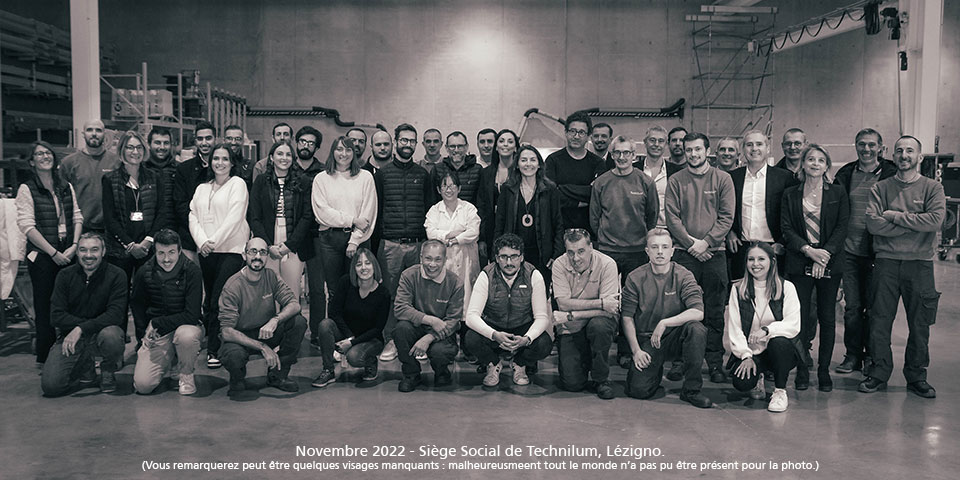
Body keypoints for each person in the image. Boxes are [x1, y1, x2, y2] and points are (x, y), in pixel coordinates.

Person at [861, 135, 945, 399]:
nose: (904, 155)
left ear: (919, 157)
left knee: (919, 324)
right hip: (885, 262)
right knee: (879, 321)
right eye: (899, 151)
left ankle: (917, 375)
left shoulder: (933, 188)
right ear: (892, 155)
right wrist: (913, 224)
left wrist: (895, 217)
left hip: (920, 265)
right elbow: (873, 225)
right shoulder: (881, 187)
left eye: (910, 150)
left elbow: (934, 221)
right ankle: (879, 372)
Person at [665, 132, 735, 383]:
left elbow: (727, 216)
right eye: (689, 150)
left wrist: (706, 242)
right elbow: (672, 217)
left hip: (715, 254)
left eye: (697, 149)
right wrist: (691, 244)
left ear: (707, 151)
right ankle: (680, 360)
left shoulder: (723, 179)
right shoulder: (676, 180)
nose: (693, 154)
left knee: (714, 311)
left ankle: (714, 362)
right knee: (682, 308)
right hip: (685, 254)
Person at [781, 144, 849, 391]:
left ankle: (823, 371)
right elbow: (786, 229)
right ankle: (801, 368)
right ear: (803, 164)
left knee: (827, 318)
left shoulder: (838, 193)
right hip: (800, 261)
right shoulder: (790, 193)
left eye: (821, 160)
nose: (815, 163)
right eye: (811, 159)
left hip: (830, 262)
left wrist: (824, 256)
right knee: (799, 319)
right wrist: (809, 252)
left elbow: (842, 227)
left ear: (827, 166)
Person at [621, 229, 711, 408]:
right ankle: (654, 371)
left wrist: (665, 323)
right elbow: (627, 317)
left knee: (696, 329)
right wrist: (636, 351)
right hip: (648, 339)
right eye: (654, 247)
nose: (660, 252)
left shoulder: (684, 275)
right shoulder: (635, 278)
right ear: (647, 251)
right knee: (638, 390)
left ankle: (691, 390)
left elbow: (698, 312)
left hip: (676, 336)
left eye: (665, 247)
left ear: (673, 251)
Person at [832, 128, 896, 374]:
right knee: (852, 308)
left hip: (878, 252)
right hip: (849, 252)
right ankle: (852, 355)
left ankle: (872, 356)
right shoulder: (846, 173)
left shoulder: (890, 173)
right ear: (855, 146)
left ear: (880, 147)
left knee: (875, 307)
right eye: (861, 144)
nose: (866, 149)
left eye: (871, 145)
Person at [15, 141, 84, 366]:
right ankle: (45, 358)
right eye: (39, 154)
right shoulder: (27, 188)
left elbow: (77, 216)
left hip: (68, 251)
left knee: (71, 305)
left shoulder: (65, 185)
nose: (45, 156)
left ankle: (71, 353)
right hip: (43, 256)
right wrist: (53, 252)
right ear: (31, 161)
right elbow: (27, 226)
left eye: (48, 153)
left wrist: (75, 245)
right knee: (45, 307)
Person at [373, 123, 435, 362]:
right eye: (404, 140)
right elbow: (377, 211)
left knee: (419, 294)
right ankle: (391, 339)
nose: (408, 144)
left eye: (412, 141)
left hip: (418, 244)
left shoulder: (423, 175)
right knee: (390, 294)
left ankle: (417, 339)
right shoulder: (383, 174)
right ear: (396, 141)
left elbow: (429, 210)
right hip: (390, 245)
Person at [311, 136, 377, 348]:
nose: (344, 154)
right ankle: (336, 339)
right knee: (334, 291)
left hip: (358, 239)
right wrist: (350, 219)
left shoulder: (365, 177)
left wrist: (354, 240)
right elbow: (322, 213)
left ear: (354, 153)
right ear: (332, 151)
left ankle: (357, 339)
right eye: (339, 149)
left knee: (358, 288)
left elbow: (368, 214)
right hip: (329, 239)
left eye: (348, 150)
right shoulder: (322, 178)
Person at [42, 233, 127, 397]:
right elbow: (56, 316)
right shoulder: (64, 276)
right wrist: (79, 329)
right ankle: (85, 366)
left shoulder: (117, 275)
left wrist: (81, 328)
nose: (88, 255)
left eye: (94, 250)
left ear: (103, 252)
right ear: (77, 252)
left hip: (101, 334)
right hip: (71, 337)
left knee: (113, 336)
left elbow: (116, 315)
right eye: (83, 250)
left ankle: (108, 370)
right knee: (51, 387)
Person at [218, 238, 307, 396]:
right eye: (253, 251)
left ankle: (278, 375)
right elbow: (227, 332)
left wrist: (275, 320)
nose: (257, 256)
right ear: (244, 255)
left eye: (263, 252)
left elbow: (294, 304)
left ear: (267, 256)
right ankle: (237, 378)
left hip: (266, 331)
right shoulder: (233, 286)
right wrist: (262, 347)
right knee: (234, 356)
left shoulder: (271, 276)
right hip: (241, 337)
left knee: (298, 322)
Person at [189, 143, 250, 369]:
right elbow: (192, 216)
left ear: (232, 163)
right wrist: (202, 242)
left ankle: (214, 348)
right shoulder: (202, 188)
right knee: (210, 301)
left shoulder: (238, 184)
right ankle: (221, 340)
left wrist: (212, 241)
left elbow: (235, 218)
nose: (220, 163)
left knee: (218, 301)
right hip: (207, 251)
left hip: (231, 251)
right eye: (216, 158)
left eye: (225, 159)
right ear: (210, 161)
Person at [102, 130, 167, 344]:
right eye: (130, 147)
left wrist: (148, 241)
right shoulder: (110, 179)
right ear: (122, 150)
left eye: (139, 147)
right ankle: (117, 345)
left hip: (147, 249)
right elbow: (110, 219)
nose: (135, 151)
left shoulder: (154, 177)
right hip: (120, 249)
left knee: (144, 298)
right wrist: (130, 245)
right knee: (118, 299)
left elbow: (161, 212)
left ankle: (145, 343)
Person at [464, 233, 553, 387]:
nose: (509, 262)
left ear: (522, 257)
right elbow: (471, 316)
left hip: (522, 328)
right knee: (471, 338)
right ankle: (493, 364)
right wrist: (494, 335)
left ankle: (519, 364)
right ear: (497, 258)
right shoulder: (486, 275)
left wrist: (527, 338)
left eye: (514, 256)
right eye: (504, 257)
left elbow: (542, 317)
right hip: (494, 328)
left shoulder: (534, 275)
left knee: (544, 343)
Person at [725, 242, 801, 412]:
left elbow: (793, 324)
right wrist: (746, 356)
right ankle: (757, 375)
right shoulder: (738, 289)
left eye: (761, 259)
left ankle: (780, 391)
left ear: (772, 262)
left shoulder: (787, 287)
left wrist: (767, 330)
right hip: (752, 351)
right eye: (751, 259)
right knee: (742, 383)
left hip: (780, 350)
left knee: (779, 342)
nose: (755, 264)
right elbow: (735, 328)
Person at [131, 229, 203, 395]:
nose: (166, 259)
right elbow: (138, 305)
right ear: (154, 252)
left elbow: (192, 314)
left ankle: (185, 373)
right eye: (161, 253)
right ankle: (169, 361)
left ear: (179, 250)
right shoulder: (144, 272)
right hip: (158, 333)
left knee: (186, 337)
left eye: (171, 252)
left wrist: (156, 323)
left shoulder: (192, 271)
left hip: (187, 325)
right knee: (142, 385)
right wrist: (143, 335)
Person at [551, 229, 620, 399]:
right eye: (571, 252)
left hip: (594, 322)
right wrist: (601, 303)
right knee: (572, 384)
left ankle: (601, 379)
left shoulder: (607, 264)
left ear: (591, 247)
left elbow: (609, 311)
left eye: (581, 251)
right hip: (571, 327)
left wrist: (571, 315)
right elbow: (563, 303)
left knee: (599, 327)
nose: (576, 258)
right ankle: (586, 356)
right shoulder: (559, 264)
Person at [248, 140, 315, 311]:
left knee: (291, 295)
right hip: (268, 245)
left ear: (293, 159)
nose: (283, 158)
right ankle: (270, 334)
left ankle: (291, 333)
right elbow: (254, 217)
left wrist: (289, 245)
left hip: (294, 246)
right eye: (279, 154)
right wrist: (268, 245)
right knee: (268, 294)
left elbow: (307, 216)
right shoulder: (261, 181)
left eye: (288, 154)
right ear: (271, 157)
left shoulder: (304, 181)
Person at [311, 248, 390, 388]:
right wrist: (349, 338)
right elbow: (334, 313)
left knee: (354, 357)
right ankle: (328, 370)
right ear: (354, 268)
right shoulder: (346, 282)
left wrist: (352, 343)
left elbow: (377, 329)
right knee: (325, 325)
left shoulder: (383, 293)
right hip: (347, 332)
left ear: (375, 266)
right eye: (359, 264)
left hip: (371, 339)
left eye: (368, 263)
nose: (364, 268)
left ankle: (370, 361)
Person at [727, 130, 798, 280]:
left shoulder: (784, 178)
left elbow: (793, 215)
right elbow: (724, 210)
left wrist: (782, 242)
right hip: (742, 248)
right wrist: (729, 232)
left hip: (773, 248)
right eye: (749, 145)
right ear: (743, 149)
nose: (754, 149)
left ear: (768, 148)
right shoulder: (732, 177)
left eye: (759, 144)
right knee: (742, 295)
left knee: (773, 296)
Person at [392, 241, 463, 391]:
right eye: (428, 258)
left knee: (440, 352)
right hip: (416, 327)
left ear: (445, 260)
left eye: (438, 259)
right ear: (420, 258)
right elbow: (400, 308)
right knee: (401, 329)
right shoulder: (409, 275)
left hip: (442, 333)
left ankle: (442, 372)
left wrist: (428, 338)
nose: (432, 264)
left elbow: (453, 320)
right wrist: (430, 320)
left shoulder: (455, 282)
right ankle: (411, 374)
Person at [590, 136, 659, 275]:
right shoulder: (601, 182)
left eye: (626, 152)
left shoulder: (646, 182)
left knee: (634, 295)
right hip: (607, 250)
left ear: (634, 155)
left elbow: (652, 215)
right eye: (617, 153)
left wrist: (643, 239)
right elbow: (594, 217)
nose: (622, 157)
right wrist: (605, 239)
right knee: (608, 294)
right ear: (612, 155)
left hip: (637, 251)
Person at [493, 145, 564, 280]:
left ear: (539, 164)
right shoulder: (508, 189)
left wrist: (556, 255)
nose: (528, 164)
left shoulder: (550, 189)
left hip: (542, 255)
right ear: (517, 165)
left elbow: (558, 224)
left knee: (540, 295)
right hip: (512, 255)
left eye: (533, 160)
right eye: (524, 160)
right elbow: (499, 225)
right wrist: (496, 254)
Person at [425, 171, 481, 308]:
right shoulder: (434, 210)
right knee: (443, 297)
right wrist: (455, 233)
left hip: (466, 258)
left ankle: (464, 326)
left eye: (452, 186)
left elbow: (473, 232)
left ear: (459, 188)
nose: (448, 190)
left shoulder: (469, 208)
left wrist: (452, 240)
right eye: (444, 186)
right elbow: (431, 233)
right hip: (444, 260)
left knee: (466, 296)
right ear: (439, 190)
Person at [544, 111, 604, 233]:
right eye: (572, 131)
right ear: (566, 133)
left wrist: (562, 188)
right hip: (558, 229)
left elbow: (596, 194)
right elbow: (551, 195)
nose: (576, 136)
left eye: (581, 132)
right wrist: (580, 201)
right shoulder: (553, 160)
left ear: (588, 136)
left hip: (589, 230)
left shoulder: (598, 163)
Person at [60, 119, 121, 234]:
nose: (94, 133)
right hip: (80, 228)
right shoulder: (68, 163)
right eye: (89, 130)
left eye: (98, 130)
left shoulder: (116, 162)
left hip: (110, 228)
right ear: (83, 134)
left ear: (104, 134)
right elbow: (61, 199)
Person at [174, 120, 217, 262]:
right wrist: (199, 231)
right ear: (195, 141)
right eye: (200, 139)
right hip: (190, 239)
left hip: (219, 239)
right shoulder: (183, 169)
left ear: (215, 139)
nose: (204, 143)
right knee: (192, 281)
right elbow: (180, 205)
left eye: (208, 138)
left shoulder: (227, 168)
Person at [477, 128, 520, 261]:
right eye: (501, 141)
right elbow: (481, 206)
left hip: (516, 227)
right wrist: (482, 238)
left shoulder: (521, 173)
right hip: (492, 229)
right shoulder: (486, 173)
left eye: (510, 141)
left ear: (516, 148)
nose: (505, 144)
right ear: (496, 147)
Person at [640, 125, 684, 227]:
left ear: (666, 144)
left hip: (667, 230)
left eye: (661, 141)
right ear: (645, 142)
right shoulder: (634, 169)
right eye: (652, 140)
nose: (656, 144)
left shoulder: (677, 172)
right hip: (639, 230)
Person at [430, 131, 483, 204]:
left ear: (466, 147)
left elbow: (482, 201)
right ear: (446, 148)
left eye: (460, 146)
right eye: (452, 146)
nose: (456, 150)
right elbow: (432, 199)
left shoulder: (477, 170)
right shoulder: (437, 169)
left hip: (470, 214)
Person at [144, 127, 177, 230]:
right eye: (157, 143)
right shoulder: (142, 169)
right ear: (149, 144)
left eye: (166, 143)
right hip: (147, 230)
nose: (162, 147)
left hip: (173, 228)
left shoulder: (178, 170)